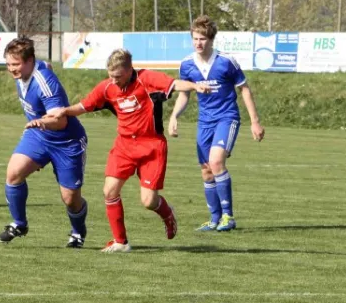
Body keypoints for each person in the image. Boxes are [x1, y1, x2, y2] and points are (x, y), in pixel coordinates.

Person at [47, 49, 210, 253]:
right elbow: (84, 106)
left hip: (152, 146)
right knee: (109, 191)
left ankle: (167, 213)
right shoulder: (107, 87)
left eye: (117, 76)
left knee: (149, 201)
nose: (113, 81)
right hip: (124, 146)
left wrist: (195, 86)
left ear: (129, 70)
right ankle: (121, 242)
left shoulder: (147, 78)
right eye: (110, 76)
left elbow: (174, 84)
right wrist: (64, 111)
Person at [168, 15, 265, 232]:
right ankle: (214, 219)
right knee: (206, 171)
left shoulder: (226, 62)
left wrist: (255, 122)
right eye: (195, 38)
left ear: (211, 40)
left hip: (227, 117)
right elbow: (184, 94)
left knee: (216, 161)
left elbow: (244, 89)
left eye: (202, 39)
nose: (198, 43)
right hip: (204, 122)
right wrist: (174, 116)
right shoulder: (187, 65)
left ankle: (228, 217)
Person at [0, 37, 89, 249]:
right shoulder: (29, 69)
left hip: (67, 141)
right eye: (8, 64)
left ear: (29, 61)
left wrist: (42, 122)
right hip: (38, 135)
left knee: (70, 199)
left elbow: (61, 121)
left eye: (16, 64)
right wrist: (39, 125)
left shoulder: (45, 83)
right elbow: (45, 64)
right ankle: (19, 224)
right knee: (13, 173)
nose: (12, 69)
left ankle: (77, 232)